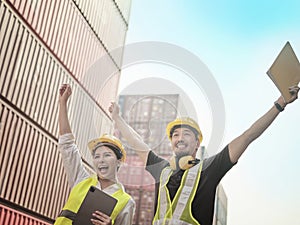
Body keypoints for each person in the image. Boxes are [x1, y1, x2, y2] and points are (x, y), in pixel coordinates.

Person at [109, 85, 299, 225]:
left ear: (196, 143)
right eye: (175, 135)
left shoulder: (210, 168)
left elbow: (248, 135)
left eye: (186, 134)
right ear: (171, 142)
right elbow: (135, 141)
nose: (180, 138)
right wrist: (117, 118)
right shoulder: (161, 169)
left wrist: (280, 104)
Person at [54, 84, 135, 225]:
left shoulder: (126, 202)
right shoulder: (80, 179)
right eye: (96, 156)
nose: (101, 160)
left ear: (119, 161)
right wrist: (63, 103)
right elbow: (67, 145)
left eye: (107, 155)